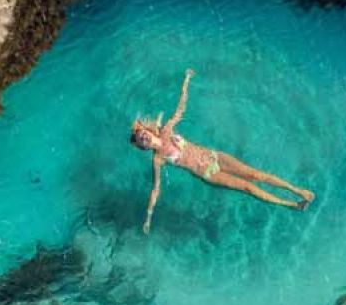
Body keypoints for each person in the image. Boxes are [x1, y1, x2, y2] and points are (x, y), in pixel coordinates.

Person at [130, 69, 315, 233]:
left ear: (147, 131)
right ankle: (292, 204)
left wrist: (186, 82)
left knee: (255, 174)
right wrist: (148, 217)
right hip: (209, 173)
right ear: (143, 147)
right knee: (248, 187)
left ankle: (298, 190)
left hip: (215, 156)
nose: (144, 138)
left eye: (142, 134)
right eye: (141, 142)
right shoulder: (158, 159)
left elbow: (180, 109)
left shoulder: (167, 129)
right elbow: (156, 189)